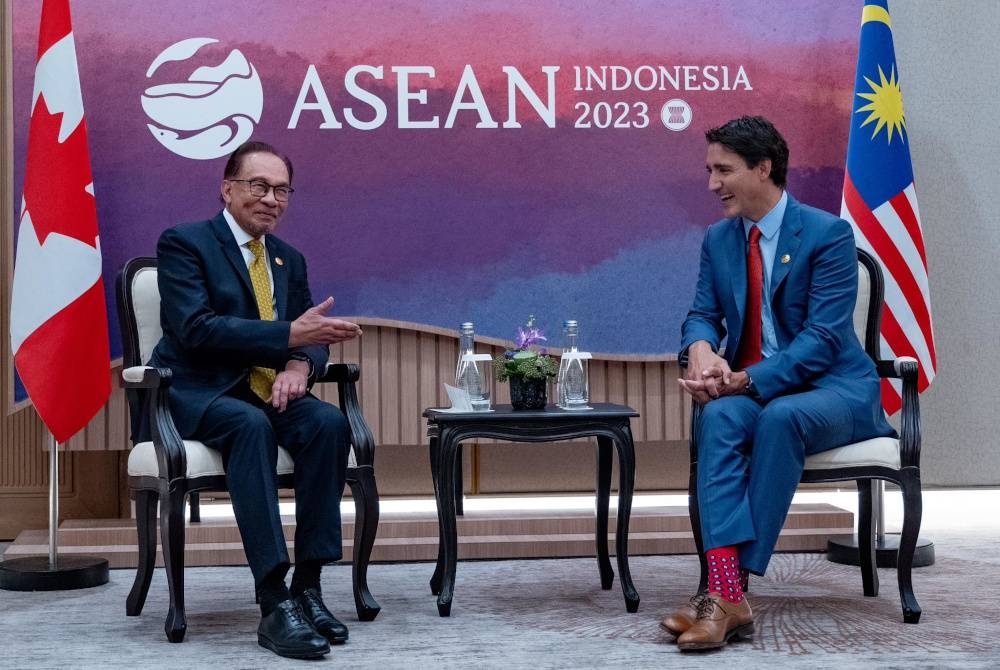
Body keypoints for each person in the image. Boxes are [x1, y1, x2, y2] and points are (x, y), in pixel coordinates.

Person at [665, 116, 895, 651]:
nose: (712, 184)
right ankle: (729, 597)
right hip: (757, 391)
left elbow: (820, 340)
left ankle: (723, 593)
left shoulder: (828, 234)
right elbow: (701, 314)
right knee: (719, 415)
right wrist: (701, 351)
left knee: (781, 416)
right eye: (709, 170)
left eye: (724, 170)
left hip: (834, 390)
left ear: (763, 168)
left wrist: (744, 378)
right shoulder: (718, 240)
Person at [150, 140, 363, 659]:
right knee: (250, 425)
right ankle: (273, 601)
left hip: (269, 389)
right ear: (228, 189)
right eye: (258, 186)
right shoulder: (185, 243)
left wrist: (297, 365)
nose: (271, 198)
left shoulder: (289, 259)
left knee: (329, 425)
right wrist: (289, 338)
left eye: (282, 189)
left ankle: (307, 588)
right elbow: (196, 330)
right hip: (200, 389)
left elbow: (306, 336)